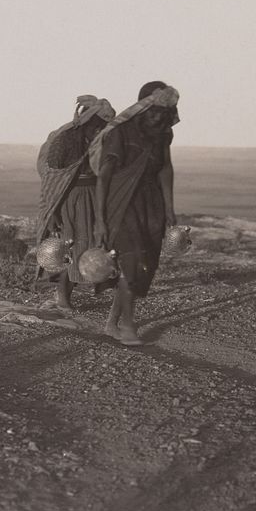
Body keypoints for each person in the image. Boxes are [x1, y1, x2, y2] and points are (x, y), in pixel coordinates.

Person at [88, 81, 179, 345]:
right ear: (143, 107)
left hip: (151, 205)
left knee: (144, 262)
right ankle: (128, 326)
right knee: (132, 262)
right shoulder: (122, 132)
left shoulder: (162, 134)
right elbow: (104, 178)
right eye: (153, 111)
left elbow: (165, 169)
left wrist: (170, 209)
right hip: (122, 204)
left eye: (163, 113)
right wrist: (100, 221)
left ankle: (111, 324)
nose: (157, 117)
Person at [35, 96, 116, 309]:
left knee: (97, 244)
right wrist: (51, 212)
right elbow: (51, 179)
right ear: (88, 122)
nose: (100, 131)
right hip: (70, 199)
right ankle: (63, 296)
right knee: (72, 247)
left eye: (103, 128)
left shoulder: (101, 140)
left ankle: (97, 282)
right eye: (97, 127)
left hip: (94, 196)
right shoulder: (65, 141)